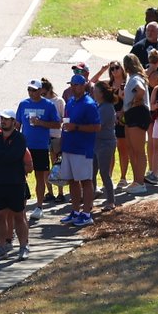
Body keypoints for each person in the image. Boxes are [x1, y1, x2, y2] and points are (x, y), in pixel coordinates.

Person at [0, 109, 30, 260]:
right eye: (2, 119)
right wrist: (4, 155)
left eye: (7, 119)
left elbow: (15, 156)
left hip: (16, 183)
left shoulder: (20, 138)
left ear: (13, 122)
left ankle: (23, 246)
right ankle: (1, 247)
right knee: (0, 216)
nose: (3, 121)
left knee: (19, 215)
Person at [60, 74, 101, 226]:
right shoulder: (70, 102)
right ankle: (75, 211)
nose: (73, 87)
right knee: (72, 180)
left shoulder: (89, 104)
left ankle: (87, 213)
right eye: (72, 84)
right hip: (69, 146)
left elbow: (97, 127)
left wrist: (76, 127)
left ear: (83, 86)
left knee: (85, 180)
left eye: (76, 85)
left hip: (82, 149)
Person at [17, 79, 61, 221]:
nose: (31, 92)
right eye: (29, 89)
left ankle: (39, 206)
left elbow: (57, 124)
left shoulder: (48, 105)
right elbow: (17, 124)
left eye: (34, 90)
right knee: (21, 176)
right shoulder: (23, 104)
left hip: (41, 146)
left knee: (40, 176)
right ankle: (20, 205)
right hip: (25, 147)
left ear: (41, 90)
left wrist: (41, 123)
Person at [120, 53, 150, 194]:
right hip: (131, 114)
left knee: (138, 150)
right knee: (132, 149)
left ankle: (140, 182)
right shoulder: (132, 78)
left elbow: (141, 91)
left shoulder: (136, 78)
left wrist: (134, 102)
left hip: (138, 113)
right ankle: (136, 180)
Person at [91, 81, 118, 211]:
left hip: (105, 143)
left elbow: (98, 126)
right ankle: (91, 197)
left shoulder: (106, 107)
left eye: (95, 91)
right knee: (92, 172)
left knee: (104, 172)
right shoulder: (99, 106)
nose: (93, 93)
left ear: (101, 93)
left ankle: (111, 200)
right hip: (96, 142)